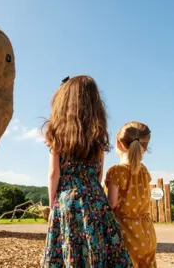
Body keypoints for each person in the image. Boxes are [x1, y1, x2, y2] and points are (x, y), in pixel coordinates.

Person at [40, 75, 133, 268]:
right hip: (95, 199)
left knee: (70, 248)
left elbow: (53, 173)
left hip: (68, 200)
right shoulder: (97, 135)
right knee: (99, 247)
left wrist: (52, 206)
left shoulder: (57, 133)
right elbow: (99, 173)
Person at [105, 121, 157, 268]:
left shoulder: (116, 171)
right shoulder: (144, 171)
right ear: (145, 147)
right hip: (147, 232)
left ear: (118, 142)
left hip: (126, 233)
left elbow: (112, 203)